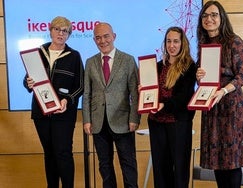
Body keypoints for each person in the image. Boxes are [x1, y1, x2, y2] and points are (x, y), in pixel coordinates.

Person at [23, 16, 84, 188]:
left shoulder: (74, 56)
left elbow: (80, 86)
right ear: (50, 31)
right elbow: (28, 80)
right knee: (49, 154)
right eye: (57, 29)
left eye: (65, 31)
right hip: (41, 113)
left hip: (63, 114)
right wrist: (28, 82)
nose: (60, 33)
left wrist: (67, 100)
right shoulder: (37, 52)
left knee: (63, 153)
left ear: (69, 35)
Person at [195, 1, 243, 188]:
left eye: (213, 15)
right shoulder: (203, 45)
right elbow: (206, 80)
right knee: (218, 160)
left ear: (222, 17)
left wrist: (224, 91)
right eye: (205, 16)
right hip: (212, 107)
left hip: (231, 106)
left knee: (231, 160)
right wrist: (199, 77)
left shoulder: (234, 41)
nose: (209, 19)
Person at [82, 22, 140, 188]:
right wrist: (87, 120)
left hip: (123, 122)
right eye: (98, 38)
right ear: (94, 40)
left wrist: (134, 118)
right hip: (98, 123)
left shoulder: (128, 60)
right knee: (104, 166)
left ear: (114, 36)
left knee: (128, 164)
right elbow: (87, 93)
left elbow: (134, 93)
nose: (103, 41)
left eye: (106, 36)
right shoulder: (90, 62)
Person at [146, 26, 197, 188]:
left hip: (178, 123)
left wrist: (163, 105)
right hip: (156, 122)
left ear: (183, 44)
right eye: (169, 41)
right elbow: (151, 92)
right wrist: (144, 93)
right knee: (160, 170)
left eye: (176, 41)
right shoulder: (158, 65)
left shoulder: (189, 67)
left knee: (179, 170)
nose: (172, 45)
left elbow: (183, 97)